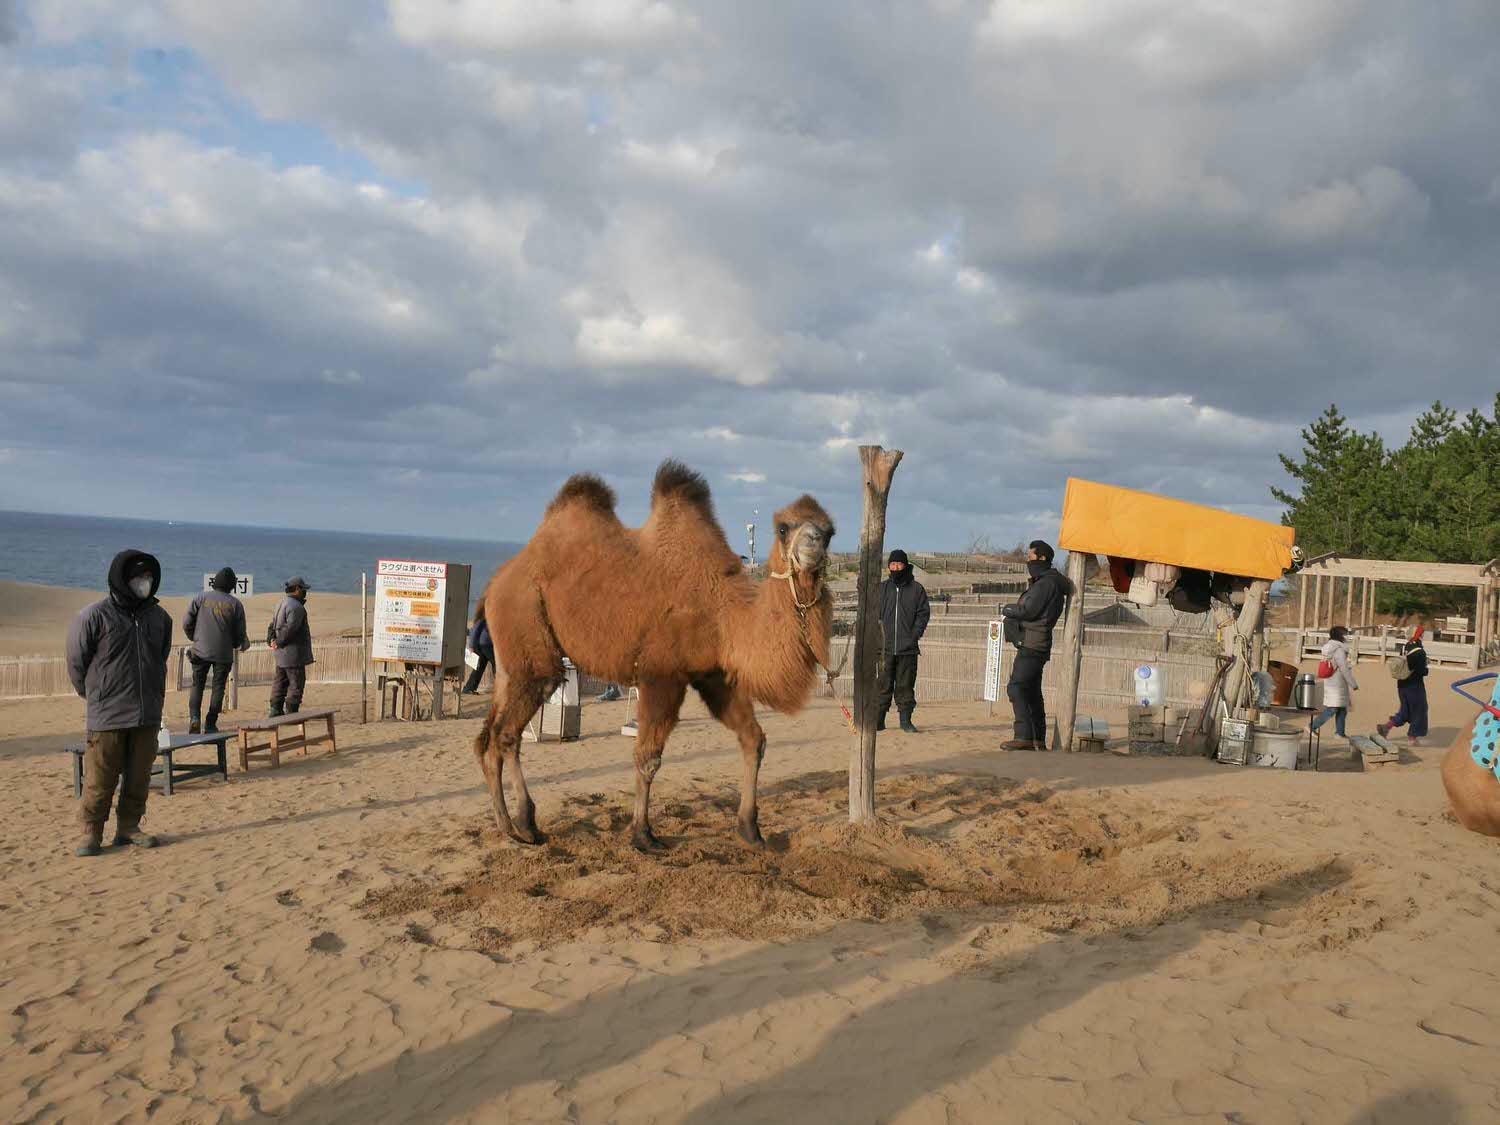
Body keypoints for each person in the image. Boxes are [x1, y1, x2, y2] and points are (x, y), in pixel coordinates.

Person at [64, 549, 172, 856]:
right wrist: (96, 695)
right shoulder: (94, 616)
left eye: (149, 577)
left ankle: (128, 827)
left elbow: (160, 656)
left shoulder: (160, 618)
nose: (144, 583)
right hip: (108, 714)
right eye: (139, 577)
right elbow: (76, 662)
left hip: (147, 713)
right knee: (100, 778)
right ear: (122, 579)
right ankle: (91, 833)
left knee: (139, 777)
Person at [1000, 540, 1070, 751]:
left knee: (1017, 687)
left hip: (1033, 642)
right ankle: (1037, 738)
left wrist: (1008, 609)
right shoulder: (1048, 582)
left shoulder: (1046, 584)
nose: (1028, 561)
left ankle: (1024, 736)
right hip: (1036, 642)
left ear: (1042, 558)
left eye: (1030, 557)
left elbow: (1029, 611)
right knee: (1031, 691)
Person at [182, 566, 250, 732]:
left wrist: (194, 638)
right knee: (218, 687)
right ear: (232, 586)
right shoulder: (236, 604)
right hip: (223, 653)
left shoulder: (200, 598)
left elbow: (186, 622)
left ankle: (195, 718)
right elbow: (240, 633)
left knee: (197, 684)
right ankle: (211, 723)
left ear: (215, 582)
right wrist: (234, 643)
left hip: (200, 650)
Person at [876, 548, 930, 733]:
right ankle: (879, 720)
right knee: (882, 685)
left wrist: (913, 635)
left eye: (899, 564)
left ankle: (905, 721)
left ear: (906, 565)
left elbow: (923, 615)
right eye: (892, 564)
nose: (895, 567)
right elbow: (872, 613)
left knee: (905, 686)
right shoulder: (882, 589)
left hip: (908, 649)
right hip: (884, 649)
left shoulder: (917, 589)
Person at [268, 576, 314, 717]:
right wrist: (279, 641)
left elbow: (272, 625)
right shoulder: (296, 607)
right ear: (297, 589)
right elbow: (290, 629)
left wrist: (271, 639)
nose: (305, 592)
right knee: (296, 683)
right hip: (293, 653)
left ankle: (275, 710)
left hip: (281, 653)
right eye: (303, 589)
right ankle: (292, 712)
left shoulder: (280, 603)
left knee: (280, 681)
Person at [1378, 624, 1429, 746]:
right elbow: (1422, 671)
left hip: (1402, 684)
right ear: (1418, 635)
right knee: (1419, 709)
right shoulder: (1420, 652)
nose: (1423, 635)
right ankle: (1412, 738)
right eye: (1422, 633)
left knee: (1405, 709)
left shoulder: (1405, 647)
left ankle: (1387, 727)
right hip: (1415, 685)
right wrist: (1426, 668)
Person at [1310, 625, 1358, 739]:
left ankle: (1340, 733)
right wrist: (1353, 684)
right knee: (1333, 708)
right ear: (1340, 636)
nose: (1347, 637)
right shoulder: (1339, 650)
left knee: (1342, 708)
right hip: (1337, 683)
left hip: (1332, 681)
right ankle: (1312, 726)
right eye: (1345, 634)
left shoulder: (1330, 648)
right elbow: (1344, 668)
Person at [462, 606, 494, 694]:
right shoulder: (483, 616)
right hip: (484, 645)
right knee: (497, 665)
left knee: (479, 667)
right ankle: (500, 688)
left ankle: (469, 688)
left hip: (484, 645)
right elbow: (475, 630)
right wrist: (471, 646)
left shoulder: (489, 616)